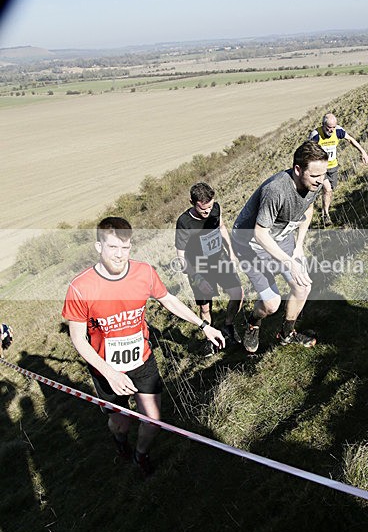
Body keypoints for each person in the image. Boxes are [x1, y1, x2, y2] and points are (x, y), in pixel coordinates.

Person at [62, 216, 225, 475]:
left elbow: (168, 300)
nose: (119, 255)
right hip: (106, 369)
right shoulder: (81, 288)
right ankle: (120, 442)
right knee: (121, 423)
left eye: (125, 248)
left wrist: (204, 326)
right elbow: (78, 339)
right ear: (98, 247)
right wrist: (109, 372)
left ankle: (141, 455)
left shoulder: (144, 272)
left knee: (153, 420)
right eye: (112, 247)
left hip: (143, 361)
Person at [231, 141, 328, 353]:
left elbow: (308, 208)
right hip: (251, 244)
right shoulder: (276, 191)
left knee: (303, 287)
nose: (320, 181)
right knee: (271, 304)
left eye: (323, 175)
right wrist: (288, 262)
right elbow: (260, 233)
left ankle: (286, 333)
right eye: (315, 176)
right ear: (297, 169)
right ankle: (253, 322)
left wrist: (299, 247)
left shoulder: (314, 182)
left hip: (280, 235)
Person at [175, 182, 243, 356]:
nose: (207, 212)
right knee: (205, 308)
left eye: (210, 207)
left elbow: (221, 227)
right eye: (202, 209)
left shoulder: (216, 208)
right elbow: (181, 256)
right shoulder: (184, 222)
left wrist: (231, 252)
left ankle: (228, 326)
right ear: (192, 202)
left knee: (237, 294)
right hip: (198, 267)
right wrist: (197, 278)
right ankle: (210, 339)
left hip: (220, 259)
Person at [308, 112, 368, 225]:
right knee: (328, 189)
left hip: (333, 167)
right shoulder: (316, 135)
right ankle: (325, 215)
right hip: (320, 168)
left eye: (333, 127)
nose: (331, 130)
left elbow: (350, 139)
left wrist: (363, 152)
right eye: (329, 127)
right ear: (323, 125)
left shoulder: (338, 131)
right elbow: (307, 152)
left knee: (329, 191)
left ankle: (322, 209)